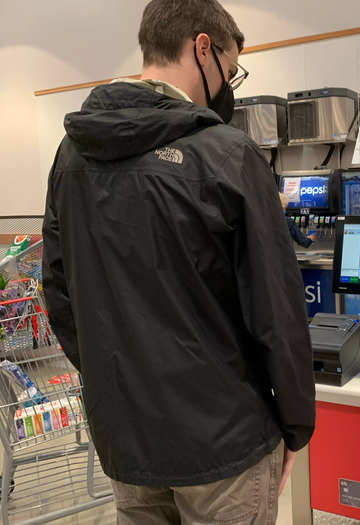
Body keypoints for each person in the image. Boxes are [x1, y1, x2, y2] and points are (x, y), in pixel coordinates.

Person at [41, 1, 315, 523]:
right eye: (230, 72)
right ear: (203, 47)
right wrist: (297, 425)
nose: (227, 88)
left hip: (126, 434)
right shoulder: (229, 154)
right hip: (225, 439)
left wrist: (117, 377)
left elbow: (59, 292)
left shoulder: (70, 156)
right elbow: (277, 311)